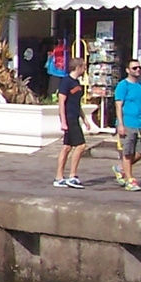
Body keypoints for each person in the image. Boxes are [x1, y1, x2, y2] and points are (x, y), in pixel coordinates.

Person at [113, 59, 141, 191]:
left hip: (140, 124)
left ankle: (121, 168)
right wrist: (120, 124)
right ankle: (130, 179)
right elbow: (118, 105)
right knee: (127, 153)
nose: (137, 70)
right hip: (127, 123)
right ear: (128, 70)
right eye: (134, 68)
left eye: (139, 68)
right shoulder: (123, 85)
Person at [53, 56, 90, 189]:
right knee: (81, 146)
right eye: (84, 66)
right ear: (78, 67)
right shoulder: (66, 82)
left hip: (75, 116)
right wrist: (63, 121)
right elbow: (61, 102)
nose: (85, 69)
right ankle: (72, 176)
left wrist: (85, 119)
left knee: (67, 147)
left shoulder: (77, 83)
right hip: (68, 118)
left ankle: (59, 177)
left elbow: (77, 103)